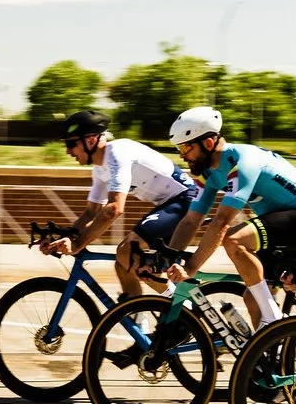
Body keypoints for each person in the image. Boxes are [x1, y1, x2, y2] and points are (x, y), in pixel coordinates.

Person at [164, 106, 296, 336]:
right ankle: (271, 351)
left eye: (185, 147)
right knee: (252, 299)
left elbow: (222, 221)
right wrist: (170, 258)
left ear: (208, 143)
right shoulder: (208, 173)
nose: (182, 154)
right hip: (278, 224)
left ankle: (274, 319)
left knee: (234, 239)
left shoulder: (242, 162)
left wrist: (190, 268)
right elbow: (191, 220)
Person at [34, 108, 199, 296]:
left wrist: (78, 245)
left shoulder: (117, 154)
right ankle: (138, 318)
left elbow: (114, 209)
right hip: (169, 203)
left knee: (126, 252)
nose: (68, 150)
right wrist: (61, 238)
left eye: (71, 144)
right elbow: (90, 212)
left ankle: (182, 305)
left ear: (90, 141)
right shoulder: (99, 169)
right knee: (124, 266)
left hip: (186, 200)